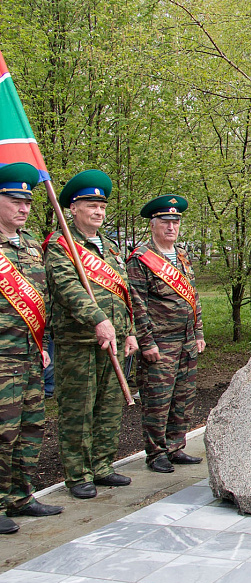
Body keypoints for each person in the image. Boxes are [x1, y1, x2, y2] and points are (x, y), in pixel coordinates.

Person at [45, 170, 138, 499]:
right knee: (78, 410)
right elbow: (68, 289)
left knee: (109, 407)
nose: (98, 211)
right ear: (73, 208)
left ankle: (101, 465)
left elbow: (123, 292)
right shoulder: (61, 246)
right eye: (90, 205)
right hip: (78, 341)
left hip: (113, 340)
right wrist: (98, 320)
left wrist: (129, 331)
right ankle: (78, 473)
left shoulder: (110, 247)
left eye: (101, 206)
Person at [0, 163, 61, 535]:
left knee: (31, 428)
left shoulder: (32, 246)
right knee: (1, 432)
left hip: (31, 354)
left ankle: (22, 496)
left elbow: (43, 300)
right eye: (14, 200)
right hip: (2, 357)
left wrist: (43, 341)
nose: (23, 208)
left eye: (27, 201)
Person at [127, 195, 206, 474]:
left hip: (185, 340)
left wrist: (198, 331)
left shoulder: (182, 255)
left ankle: (175, 446)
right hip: (160, 341)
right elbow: (136, 303)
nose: (171, 227)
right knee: (157, 400)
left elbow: (193, 297)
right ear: (153, 224)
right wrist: (146, 341)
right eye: (165, 222)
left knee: (182, 398)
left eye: (175, 222)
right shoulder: (141, 258)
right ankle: (156, 452)